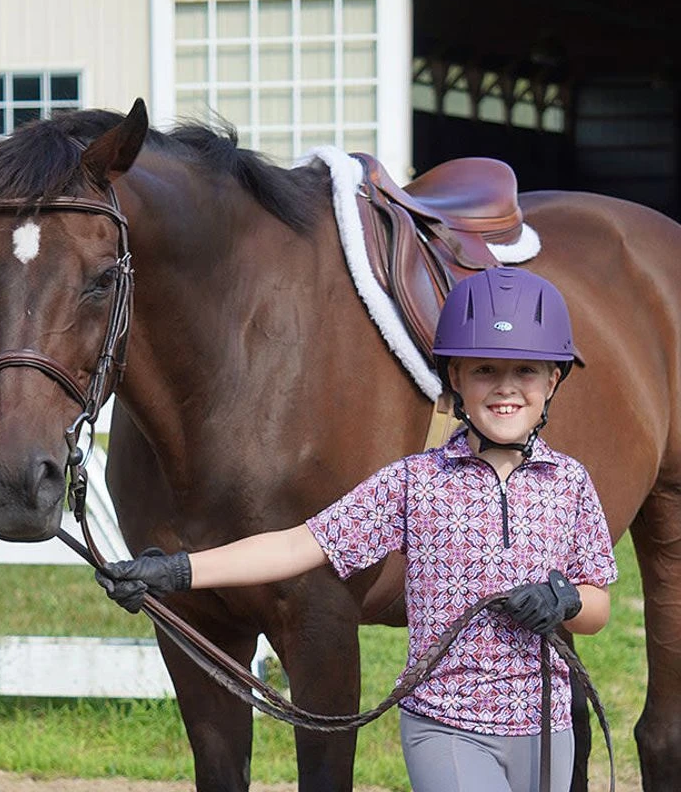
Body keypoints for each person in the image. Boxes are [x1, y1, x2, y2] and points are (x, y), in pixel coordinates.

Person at [96, 267, 617, 792]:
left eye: (525, 371)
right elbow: (300, 545)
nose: (506, 388)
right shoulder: (415, 482)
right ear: (456, 378)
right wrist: (178, 571)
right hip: (448, 725)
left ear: (552, 381)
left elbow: (598, 607)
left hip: (546, 727)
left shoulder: (570, 483)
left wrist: (566, 600)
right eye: (485, 369)